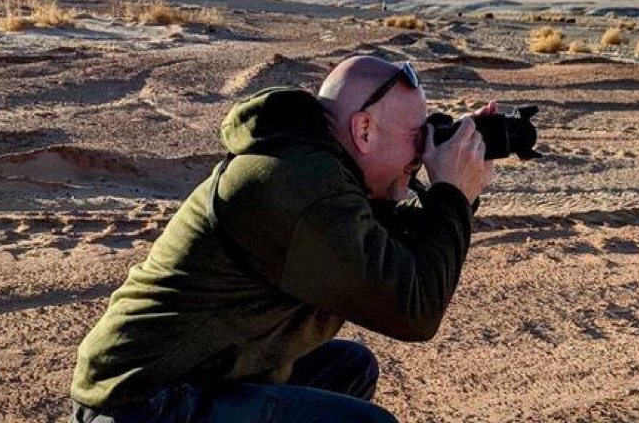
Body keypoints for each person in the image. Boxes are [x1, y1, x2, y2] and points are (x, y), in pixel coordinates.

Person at [69, 56, 495, 422]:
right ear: (364, 131)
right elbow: (413, 309)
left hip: (192, 374)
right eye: (418, 138)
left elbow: (391, 250)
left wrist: (457, 188)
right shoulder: (299, 184)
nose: (423, 155)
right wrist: (450, 194)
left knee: (349, 367)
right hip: (141, 401)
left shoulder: (319, 169)